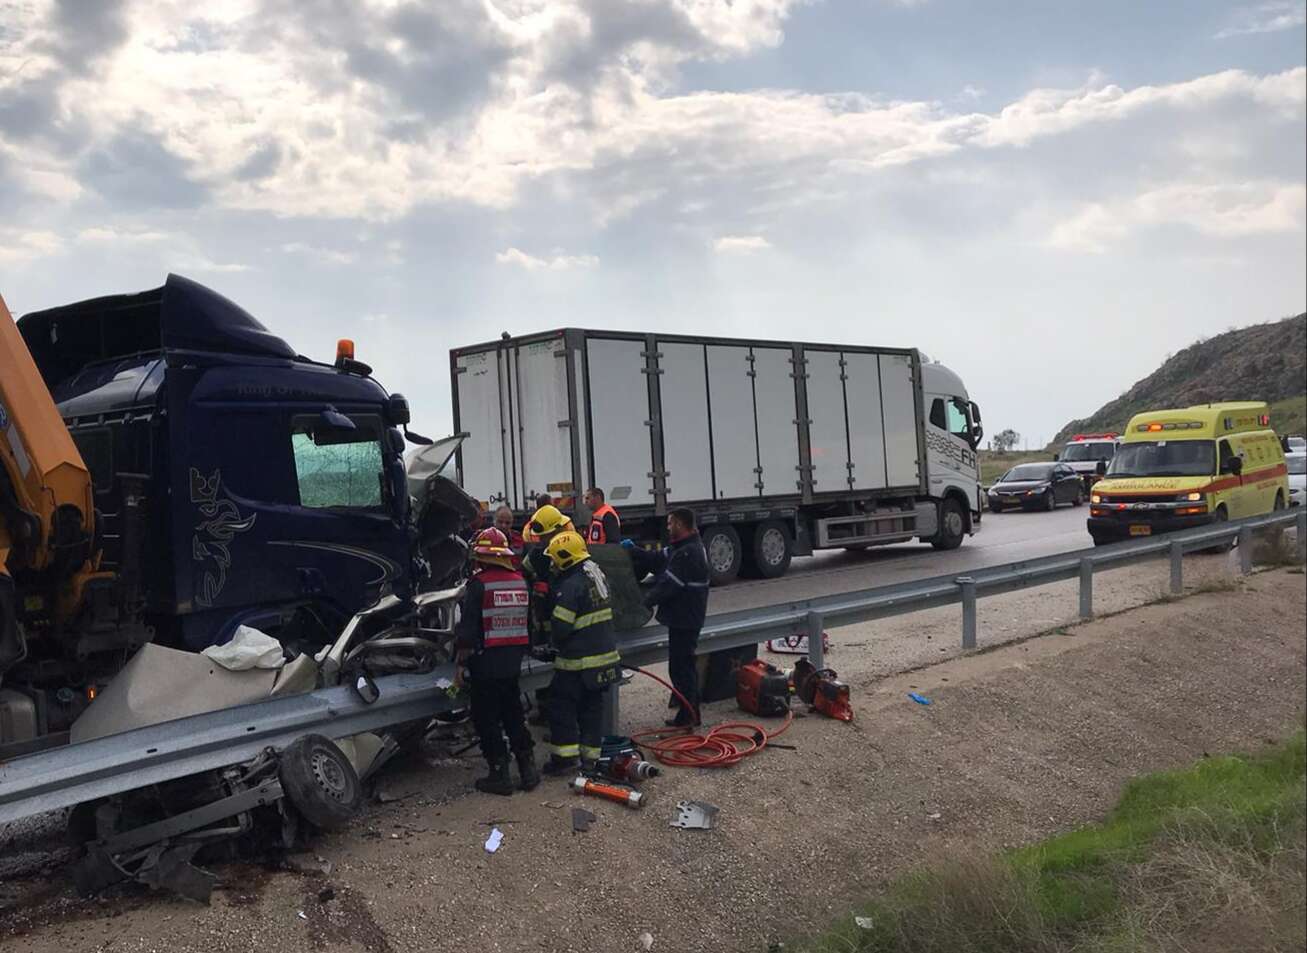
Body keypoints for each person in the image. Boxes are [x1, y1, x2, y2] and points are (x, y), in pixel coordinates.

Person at [454, 528, 540, 795]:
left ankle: (499, 774)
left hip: (486, 663)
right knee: (513, 713)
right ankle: (528, 770)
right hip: (512, 662)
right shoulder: (520, 581)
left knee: (486, 718)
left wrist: (460, 664)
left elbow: (468, 631)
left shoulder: (478, 584)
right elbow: (529, 624)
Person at [541, 530, 622, 775]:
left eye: (555, 559)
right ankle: (590, 760)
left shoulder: (571, 585)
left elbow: (561, 627)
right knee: (591, 710)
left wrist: (548, 637)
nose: (553, 565)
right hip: (604, 658)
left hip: (578, 662)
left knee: (560, 707)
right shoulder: (595, 574)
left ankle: (564, 760)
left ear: (565, 557)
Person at [624, 508, 709, 727]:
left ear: (680, 525)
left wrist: (642, 603)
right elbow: (656, 559)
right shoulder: (681, 547)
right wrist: (634, 550)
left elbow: (668, 585)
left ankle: (689, 715)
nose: (668, 527)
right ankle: (689, 712)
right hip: (683, 618)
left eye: (671, 524)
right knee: (681, 666)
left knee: (682, 668)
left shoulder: (688, 553)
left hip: (686, 619)